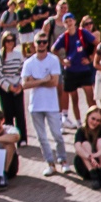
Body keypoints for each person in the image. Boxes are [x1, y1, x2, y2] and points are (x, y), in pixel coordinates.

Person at [21, 33, 68, 175]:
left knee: (57, 135)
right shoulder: (29, 63)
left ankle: (63, 160)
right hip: (35, 105)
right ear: (34, 44)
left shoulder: (53, 60)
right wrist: (43, 80)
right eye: (39, 42)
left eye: (44, 42)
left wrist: (34, 80)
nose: (41, 44)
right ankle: (50, 163)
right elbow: (24, 84)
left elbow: (54, 82)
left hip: (51, 104)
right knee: (42, 138)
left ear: (47, 43)